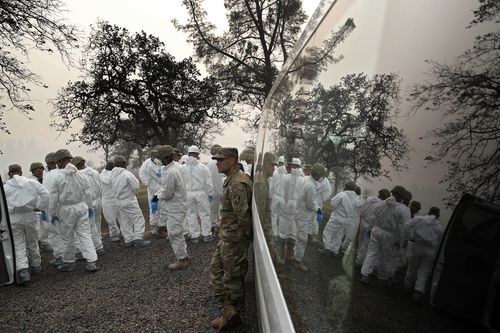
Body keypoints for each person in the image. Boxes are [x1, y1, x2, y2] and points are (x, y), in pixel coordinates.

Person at [209, 148, 252, 330]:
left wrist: (246, 239)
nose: (217, 163)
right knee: (217, 269)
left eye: (221, 159)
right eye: (216, 159)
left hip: (234, 239)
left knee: (232, 277)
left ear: (232, 160)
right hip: (228, 237)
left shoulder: (237, 183)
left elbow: (242, 216)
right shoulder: (232, 179)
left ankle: (234, 316)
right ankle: (229, 309)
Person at [47, 149, 99, 272]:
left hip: (66, 209)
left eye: (57, 162)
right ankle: (92, 262)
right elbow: (88, 192)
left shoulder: (57, 176)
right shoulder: (80, 174)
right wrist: (90, 207)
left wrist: (52, 213)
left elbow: (53, 198)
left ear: (60, 161)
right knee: (85, 234)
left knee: (67, 237)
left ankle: (69, 262)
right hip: (82, 207)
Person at [4, 164, 49, 286]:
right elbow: (46, 194)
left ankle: (23, 271)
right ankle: (36, 266)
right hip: (30, 215)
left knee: (18, 245)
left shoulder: (5, 187)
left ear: (9, 174)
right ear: (21, 172)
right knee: (32, 242)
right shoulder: (31, 183)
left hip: (13, 218)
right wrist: (40, 207)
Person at [360, 185, 411, 285]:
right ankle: (382, 278)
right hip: (389, 235)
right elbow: (401, 228)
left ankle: (365, 275)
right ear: (400, 196)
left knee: (371, 253)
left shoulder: (382, 204)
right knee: (385, 257)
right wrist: (400, 241)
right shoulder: (401, 209)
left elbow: (373, 218)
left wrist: (370, 230)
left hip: (376, 231)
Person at [153, 145, 190, 270]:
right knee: (177, 231)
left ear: (165, 158)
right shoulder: (175, 167)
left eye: (159, 158)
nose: (158, 160)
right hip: (179, 203)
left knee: (174, 232)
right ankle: (184, 255)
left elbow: (168, 194)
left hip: (175, 205)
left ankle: (181, 259)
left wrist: (157, 196)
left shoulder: (170, 172)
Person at [404, 206, 444, 304]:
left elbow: (407, 225)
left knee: (412, 266)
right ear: (438, 215)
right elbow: (439, 243)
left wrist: (410, 237)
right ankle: (418, 291)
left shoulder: (419, 219)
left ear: (429, 212)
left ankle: (408, 285)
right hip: (430, 250)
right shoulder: (440, 227)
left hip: (417, 246)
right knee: (423, 270)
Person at [111, 155, 150, 248]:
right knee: (138, 219)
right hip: (129, 200)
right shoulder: (127, 174)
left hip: (118, 201)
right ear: (124, 163)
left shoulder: (112, 175)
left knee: (125, 220)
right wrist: (134, 193)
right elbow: (136, 187)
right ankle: (138, 239)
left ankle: (128, 240)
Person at [181, 145, 215, 243]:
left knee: (191, 215)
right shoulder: (203, 167)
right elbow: (208, 183)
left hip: (188, 194)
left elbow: (181, 183)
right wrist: (210, 193)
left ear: (188, 154)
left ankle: (195, 236)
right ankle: (206, 235)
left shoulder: (182, 168)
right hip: (201, 193)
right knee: (204, 214)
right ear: (197, 154)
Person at [293, 163, 323, 272]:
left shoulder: (306, 180)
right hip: (303, 215)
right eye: (321, 176)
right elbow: (310, 205)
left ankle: (296, 256)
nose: (321, 178)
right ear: (318, 175)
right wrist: (318, 209)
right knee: (302, 239)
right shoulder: (310, 185)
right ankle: (297, 261)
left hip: (301, 212)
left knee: (300, 237)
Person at [72, 156, 104, 255]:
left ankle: (94, 246)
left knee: (88, 226)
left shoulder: (78, 175)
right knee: (97, 221)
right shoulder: (94, 172)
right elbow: (101, 186)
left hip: (87, 202)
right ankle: (98, 240)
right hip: (98, 200)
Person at [319, 181, 360, 256]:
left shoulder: (342, 194)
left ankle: (327, 248)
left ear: (347, 187)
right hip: (346, 219)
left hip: (337, 217)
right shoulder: (356, 198)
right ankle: (335, 250)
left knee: (328, 231)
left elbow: (332, 204)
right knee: (339, 235)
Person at [254, 151, 280, 265]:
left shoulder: (264, 179)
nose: (274, 169)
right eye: (272, 165)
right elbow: (259, 214)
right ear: (265, 164)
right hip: (263, 227)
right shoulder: (261, 183)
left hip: (266, 225)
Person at [276, 158, 303, 263]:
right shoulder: (287, 178)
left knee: (292, 232)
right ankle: (281, 254)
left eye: (296, 167)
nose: (294, 169)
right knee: (284, 232)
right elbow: (283, 192)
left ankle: (288, 254)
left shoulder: (301, 180)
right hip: (286, 208)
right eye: (294, 167)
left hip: (294, 209)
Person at [42, 152, 65, 266]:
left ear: (50, 163)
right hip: (65, 208)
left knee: (53, 234)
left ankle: (60, 256)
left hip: (52, 209)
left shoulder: (49, 176)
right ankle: (72, 253)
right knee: (67, 232)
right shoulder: (64, 173)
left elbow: (47, 196)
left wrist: (45, 211)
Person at [356, 188, 391, 266]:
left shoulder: (369, 199)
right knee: (367, 244)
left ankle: (358, 256)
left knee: (360, 239)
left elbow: (362, 210)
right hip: (371, 225)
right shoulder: (382, 205)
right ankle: (362, 260)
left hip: (363, 222)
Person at [138, 149, 162, 237]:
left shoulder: (159, 163)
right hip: (152, 189)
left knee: (161, 207)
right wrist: (147, 182)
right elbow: (141, 173)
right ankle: (154, 227)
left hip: (160, 188)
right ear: (152, 156)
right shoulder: (148, 164)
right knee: (153, 208)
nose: (157, 158)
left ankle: (161, 227)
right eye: (155, 156)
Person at [28, 161, 51, 252]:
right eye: (37, 170)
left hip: (45, 207)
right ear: (32, 171)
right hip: (35, 208)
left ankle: (45, 243)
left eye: (41, 169)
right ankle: (38, 245)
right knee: (36, 228)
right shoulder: (29, 181)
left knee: (46, 226)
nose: (40, 171)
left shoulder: (46, 179)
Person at [308, 165, 332, 244]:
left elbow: (327, 194)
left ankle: (313, 235)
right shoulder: (317, 180)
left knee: (314, 220)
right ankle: (308, 233)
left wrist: (320, 198)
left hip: (318, 202)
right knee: (309, 218)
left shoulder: (326, 183)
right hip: (312, 200)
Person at [100, 161, 121, 241]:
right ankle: (125, 234)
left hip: (108, 198)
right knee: (119, 217)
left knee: (111, 218)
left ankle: (114, 234)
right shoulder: (115, 174)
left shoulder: (101, 175)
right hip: (113, 197)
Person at [207, 144, 224, 234]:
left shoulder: (209, 165)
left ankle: (212, 227)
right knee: (223, 210)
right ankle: (222, 227)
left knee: (212, 210)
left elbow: (207, 179)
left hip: (213, 191)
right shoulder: (223, 162)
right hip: (223, 189)